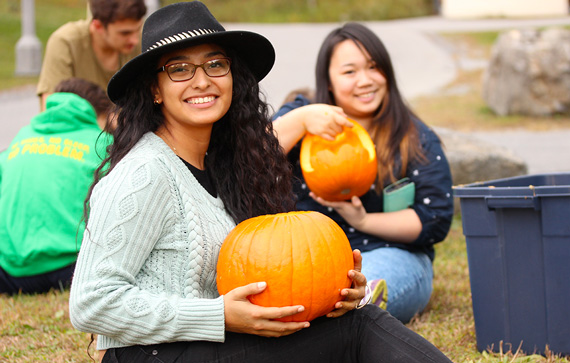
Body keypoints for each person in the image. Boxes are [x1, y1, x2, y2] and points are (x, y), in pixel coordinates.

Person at [68, 2, 454, 362]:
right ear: (155, 89)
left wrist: (335, 293)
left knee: (352, 317)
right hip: (154, 355)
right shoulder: (145, 173)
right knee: (359, 329)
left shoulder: (220, 166)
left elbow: (265, 270)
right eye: (180, 68)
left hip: (203, 345)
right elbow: (90, 302)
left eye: (215, 65)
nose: (202, 80)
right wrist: (217, 315)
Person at [272, 22, 454, 323]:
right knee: (307, 288)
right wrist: (301, 120)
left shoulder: (413, 137)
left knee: (363, 286)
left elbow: (433, 218)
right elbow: (252, 157)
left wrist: (364, 220)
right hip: (307, 259)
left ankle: (355, 311)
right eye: (349, 72)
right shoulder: (303, 114)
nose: (365, 81)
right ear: (328, 81)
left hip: (392, 254)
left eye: (373, 67)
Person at [0, 78, 113, 295]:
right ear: (97, 114)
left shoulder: (20, 139)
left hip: (12, 274)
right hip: (74, 269)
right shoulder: (103, 142)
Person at [36, 0, 147, 111]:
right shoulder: (66, 43)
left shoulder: (142, 40)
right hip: (78, 126)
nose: (135, 40)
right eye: (125, 33)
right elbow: (52, 111)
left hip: (131, 126)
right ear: (98, 26)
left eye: (137, 29)